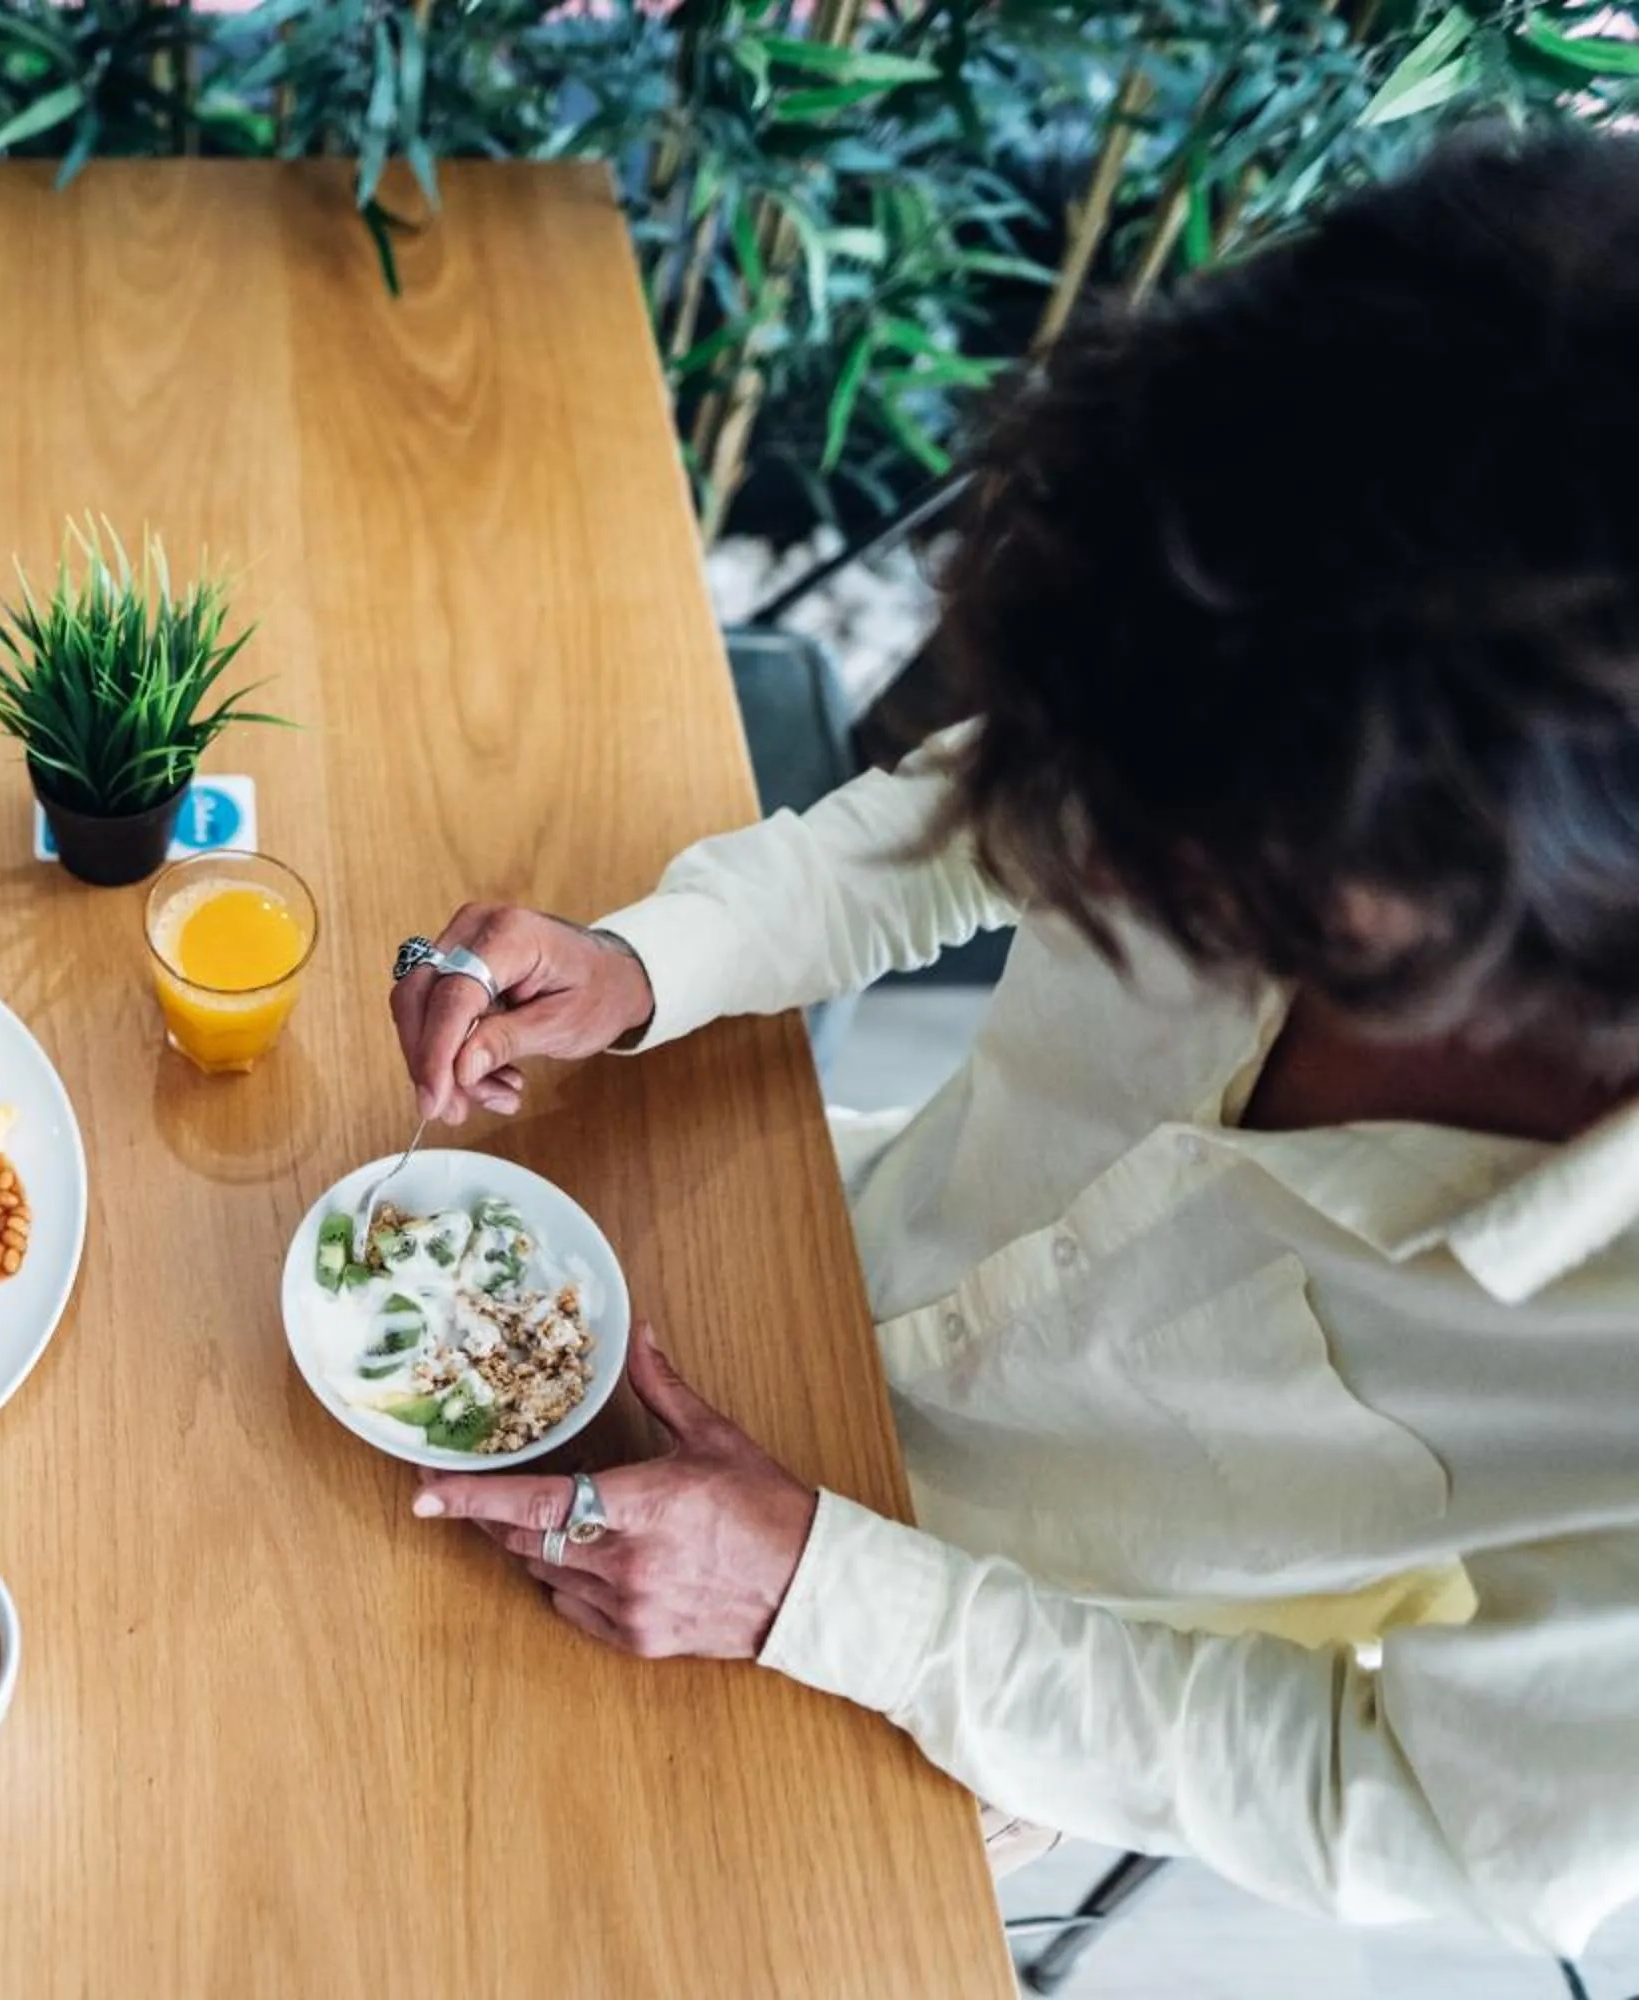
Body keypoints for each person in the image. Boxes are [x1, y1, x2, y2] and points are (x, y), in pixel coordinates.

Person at [391, 133, 1639, 1954]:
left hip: (991, 1691)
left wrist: (828, 1601)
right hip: (812, 1256)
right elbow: (1002, 802)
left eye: (1194, 872)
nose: (1086, 852)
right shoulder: (1280, 665)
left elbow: (1446, 1825)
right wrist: (657, 957)